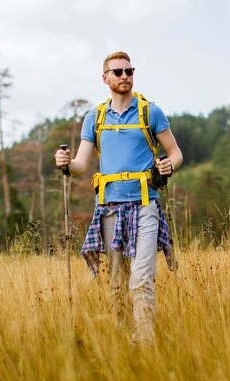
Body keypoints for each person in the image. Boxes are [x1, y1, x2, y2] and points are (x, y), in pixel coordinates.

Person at [54, 51, 183, 348]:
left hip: (145, 206)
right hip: (109, 210)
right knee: (117, 284)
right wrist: (65, 162)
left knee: (140, 279)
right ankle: (125, 341)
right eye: (118, 72)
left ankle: (146, 345)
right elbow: (80, 165)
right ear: (105, 78)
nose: (124, 76)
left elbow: (175, 153)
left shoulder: (151, 112)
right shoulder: (94, 117)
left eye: (129, 71)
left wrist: (168, 165)